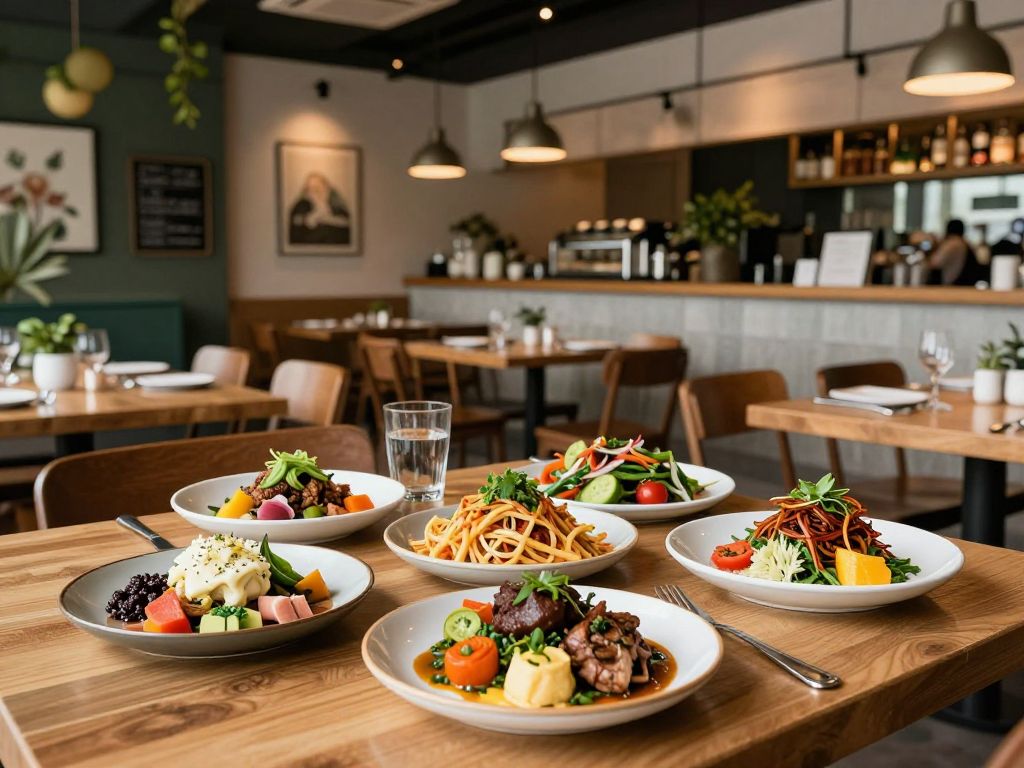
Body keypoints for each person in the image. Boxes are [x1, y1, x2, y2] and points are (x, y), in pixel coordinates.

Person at [288, 172, 350, 246]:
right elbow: (299, 228)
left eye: (318, 188)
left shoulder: (337, 205)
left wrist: (327, 218)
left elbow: (346, 224)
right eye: (310, 189)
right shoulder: (301, 206)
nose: (314, 193)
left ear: (327, 189)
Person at [929, 219, 984, 285]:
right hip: (963, 284)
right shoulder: (965, 243)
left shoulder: (953, 243)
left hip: (954, 286)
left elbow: (935, 263)